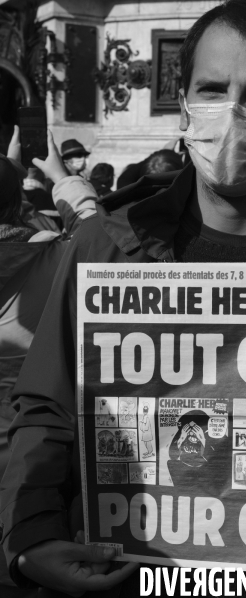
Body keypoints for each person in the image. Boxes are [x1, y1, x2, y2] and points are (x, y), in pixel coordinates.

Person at [1, 0, 246, 597]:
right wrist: (29, 537)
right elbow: (49, 411)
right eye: (212, 89)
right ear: (184, 101)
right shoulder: (106, 245)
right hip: (127, 577)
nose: (232, 115)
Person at [0, 126, 97, 596]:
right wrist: (60, 177)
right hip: (32, 440)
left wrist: (12, 174)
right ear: (14, 204)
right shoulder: (53, 256)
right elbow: (95, 235)